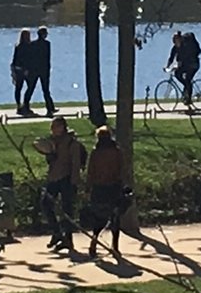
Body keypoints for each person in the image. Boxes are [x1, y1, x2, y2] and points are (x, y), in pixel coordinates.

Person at [33, 114, 83, 250]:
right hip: (54, 177)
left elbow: (76, 162)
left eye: (55, 127)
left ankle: (68, 238)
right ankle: (56, 232)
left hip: (67, 178)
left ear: (62, 127)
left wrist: (74, 180)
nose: (53, 129)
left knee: (67, 210)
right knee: (45, 203)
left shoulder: (72, 143)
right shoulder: (52, 142)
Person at [84, 124, 129, 255]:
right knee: (115, 217)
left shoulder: (95, 152)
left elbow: (90, 171)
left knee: (98, 216)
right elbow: (122, 169)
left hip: (98, 188)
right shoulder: (117, 152)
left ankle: (94, 240)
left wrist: (88, 187)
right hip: (114, 186)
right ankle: (115, 246)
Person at [166, 31, 201, 105]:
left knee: (188, 79)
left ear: (180, 39)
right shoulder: (175, 48)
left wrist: (179, 65)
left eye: (177, 39)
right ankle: (186, 88)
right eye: (174, 40)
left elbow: (186, 58)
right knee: (177, 74)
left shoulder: (186, 46)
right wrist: (167, 66)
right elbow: (171, 58)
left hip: (193, 64)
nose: (176, 42)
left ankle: (189, 99)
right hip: (185, 65)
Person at [31, 26, 56, 115]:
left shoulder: (33, 44)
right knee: (45, 90)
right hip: (44, 70)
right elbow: (47, 58)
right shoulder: (47, 44)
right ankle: (50, 108)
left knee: (31, 88)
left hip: (35, 69)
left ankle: (50, 107)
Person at [10, 29, 35, 115]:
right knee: (19, 88)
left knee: (29, 87)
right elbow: (17, 59)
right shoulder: (20, 46)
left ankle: (25, 104)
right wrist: (14, 70)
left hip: (24, 69)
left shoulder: (30, 46)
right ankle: (19, 106)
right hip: (20, 70)